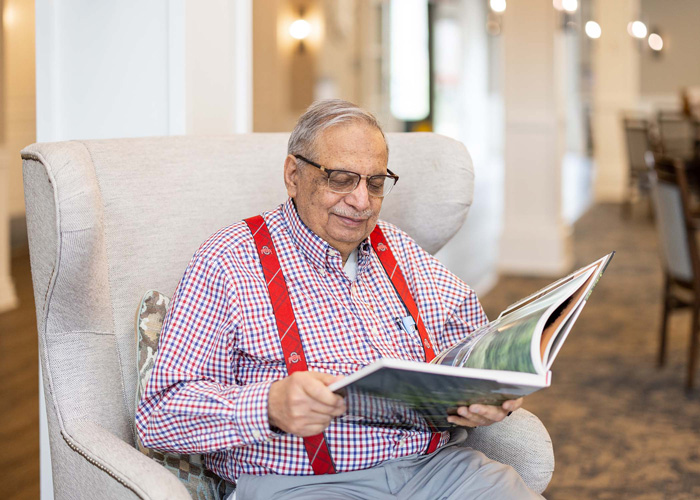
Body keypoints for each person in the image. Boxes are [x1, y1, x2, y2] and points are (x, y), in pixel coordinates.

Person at [136, 99, 542, 499]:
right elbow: (158, 415)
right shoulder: (227, 261)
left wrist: (496, 393)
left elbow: (475, 345)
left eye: (376, 183)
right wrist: (268, 405)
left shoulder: (399, 251)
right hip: (302, 484)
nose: (362, 202)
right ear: (294, 175)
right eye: (342, 179)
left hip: (436, 472)